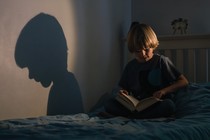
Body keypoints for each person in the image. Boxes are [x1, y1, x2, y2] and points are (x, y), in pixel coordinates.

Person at [103, 23, 189, 119]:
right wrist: (122, 92)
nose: (143, 54)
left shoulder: (161, 61)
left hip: (157, 104)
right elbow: (121, 87)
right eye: (138, 51)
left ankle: (134, 116)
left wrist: (164, 91)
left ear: (153, 46)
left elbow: (183, 81)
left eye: (146, 49)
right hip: (137, 106)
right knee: (109, 103)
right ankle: (138, 115)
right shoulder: (130, 66)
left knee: (169, 106)